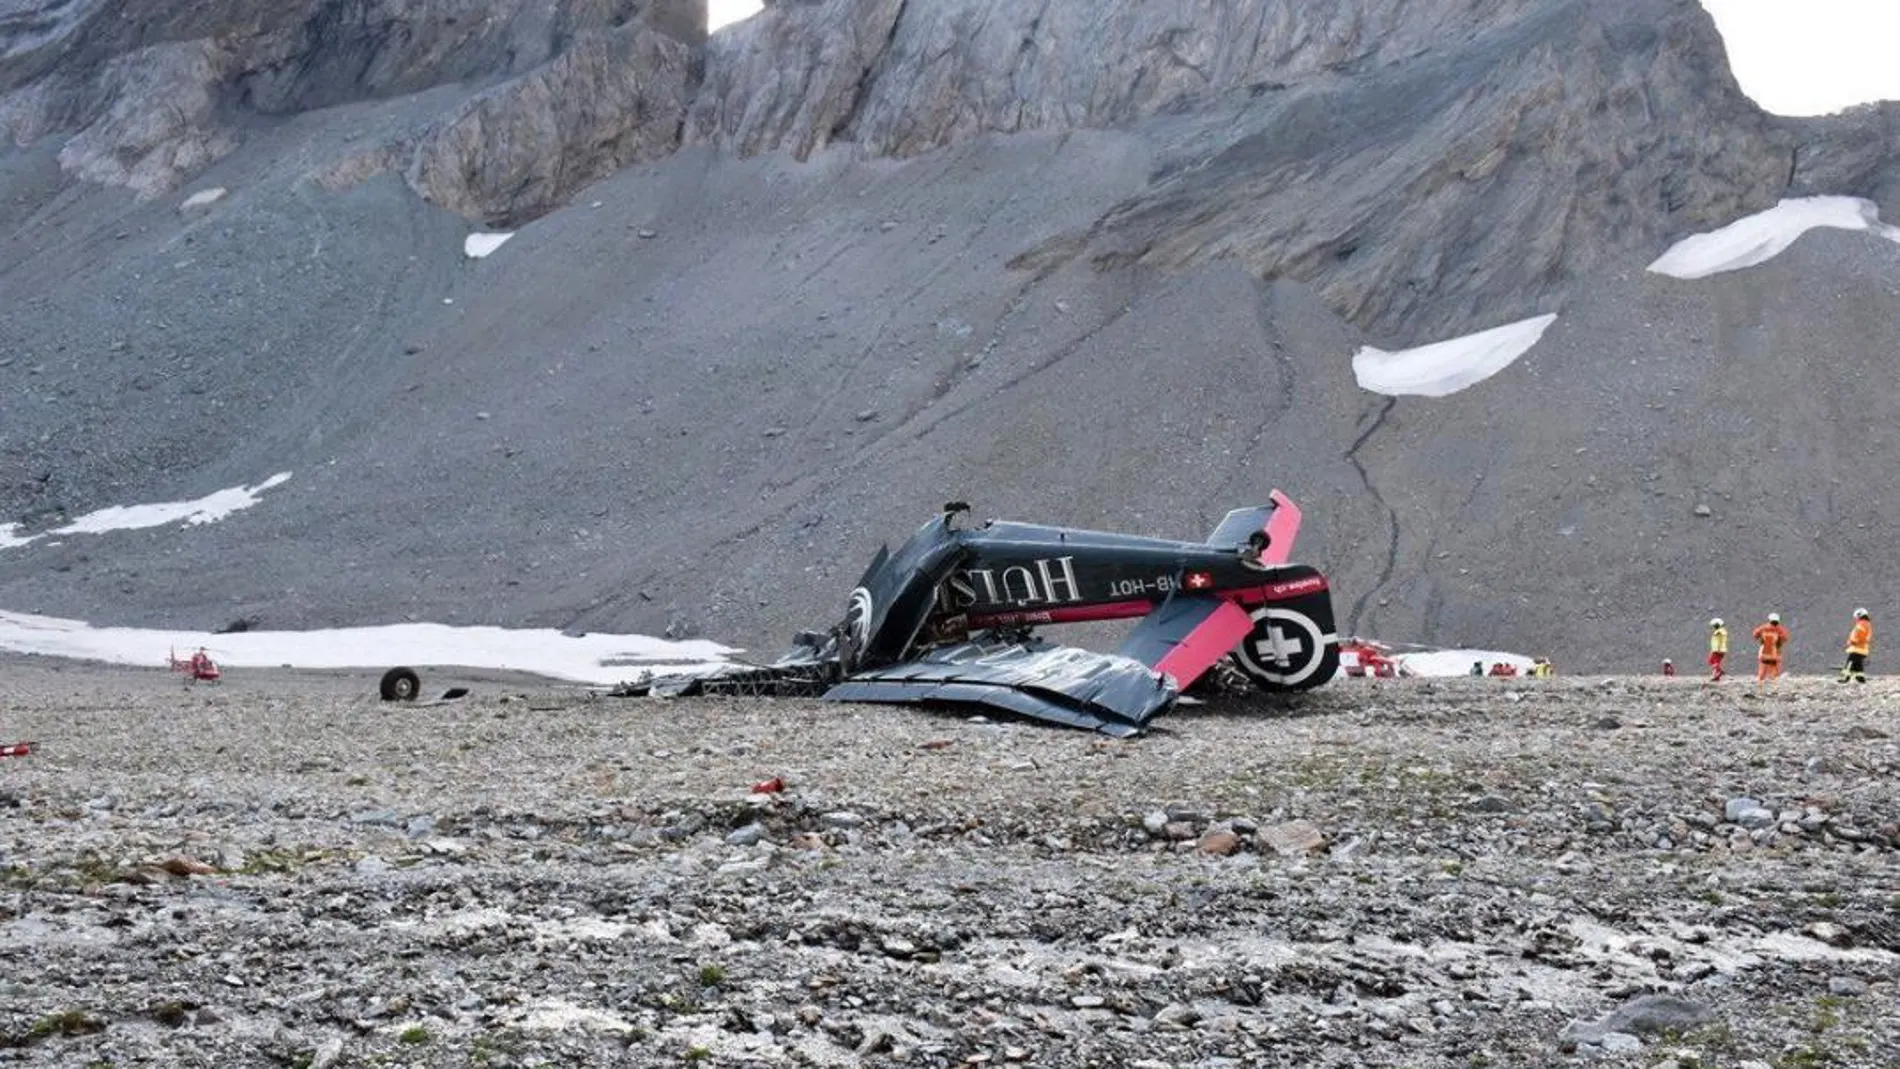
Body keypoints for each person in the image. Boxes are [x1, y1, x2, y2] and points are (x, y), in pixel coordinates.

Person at [1839, 608, 1872, 684]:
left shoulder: (1862, 624)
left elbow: (1859, 635)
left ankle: (1845, 678)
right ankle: (1861, 679)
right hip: (1862, 648)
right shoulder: (1866, 624)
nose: (1855, 619)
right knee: (1858, 665)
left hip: (1858, 648)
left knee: (1850, 663)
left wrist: (1853, 641)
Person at [1753, 613, 1789, 682]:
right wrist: (1779, 644)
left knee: (1762, 665)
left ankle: (1761, 680)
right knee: (1774, 665)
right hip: (1774, 650)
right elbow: (1784, 638)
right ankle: (1773, 679)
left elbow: (1755, 634)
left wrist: (1761, 639)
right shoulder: (1779, 629)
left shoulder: (1763, 628)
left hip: (1765, 649)